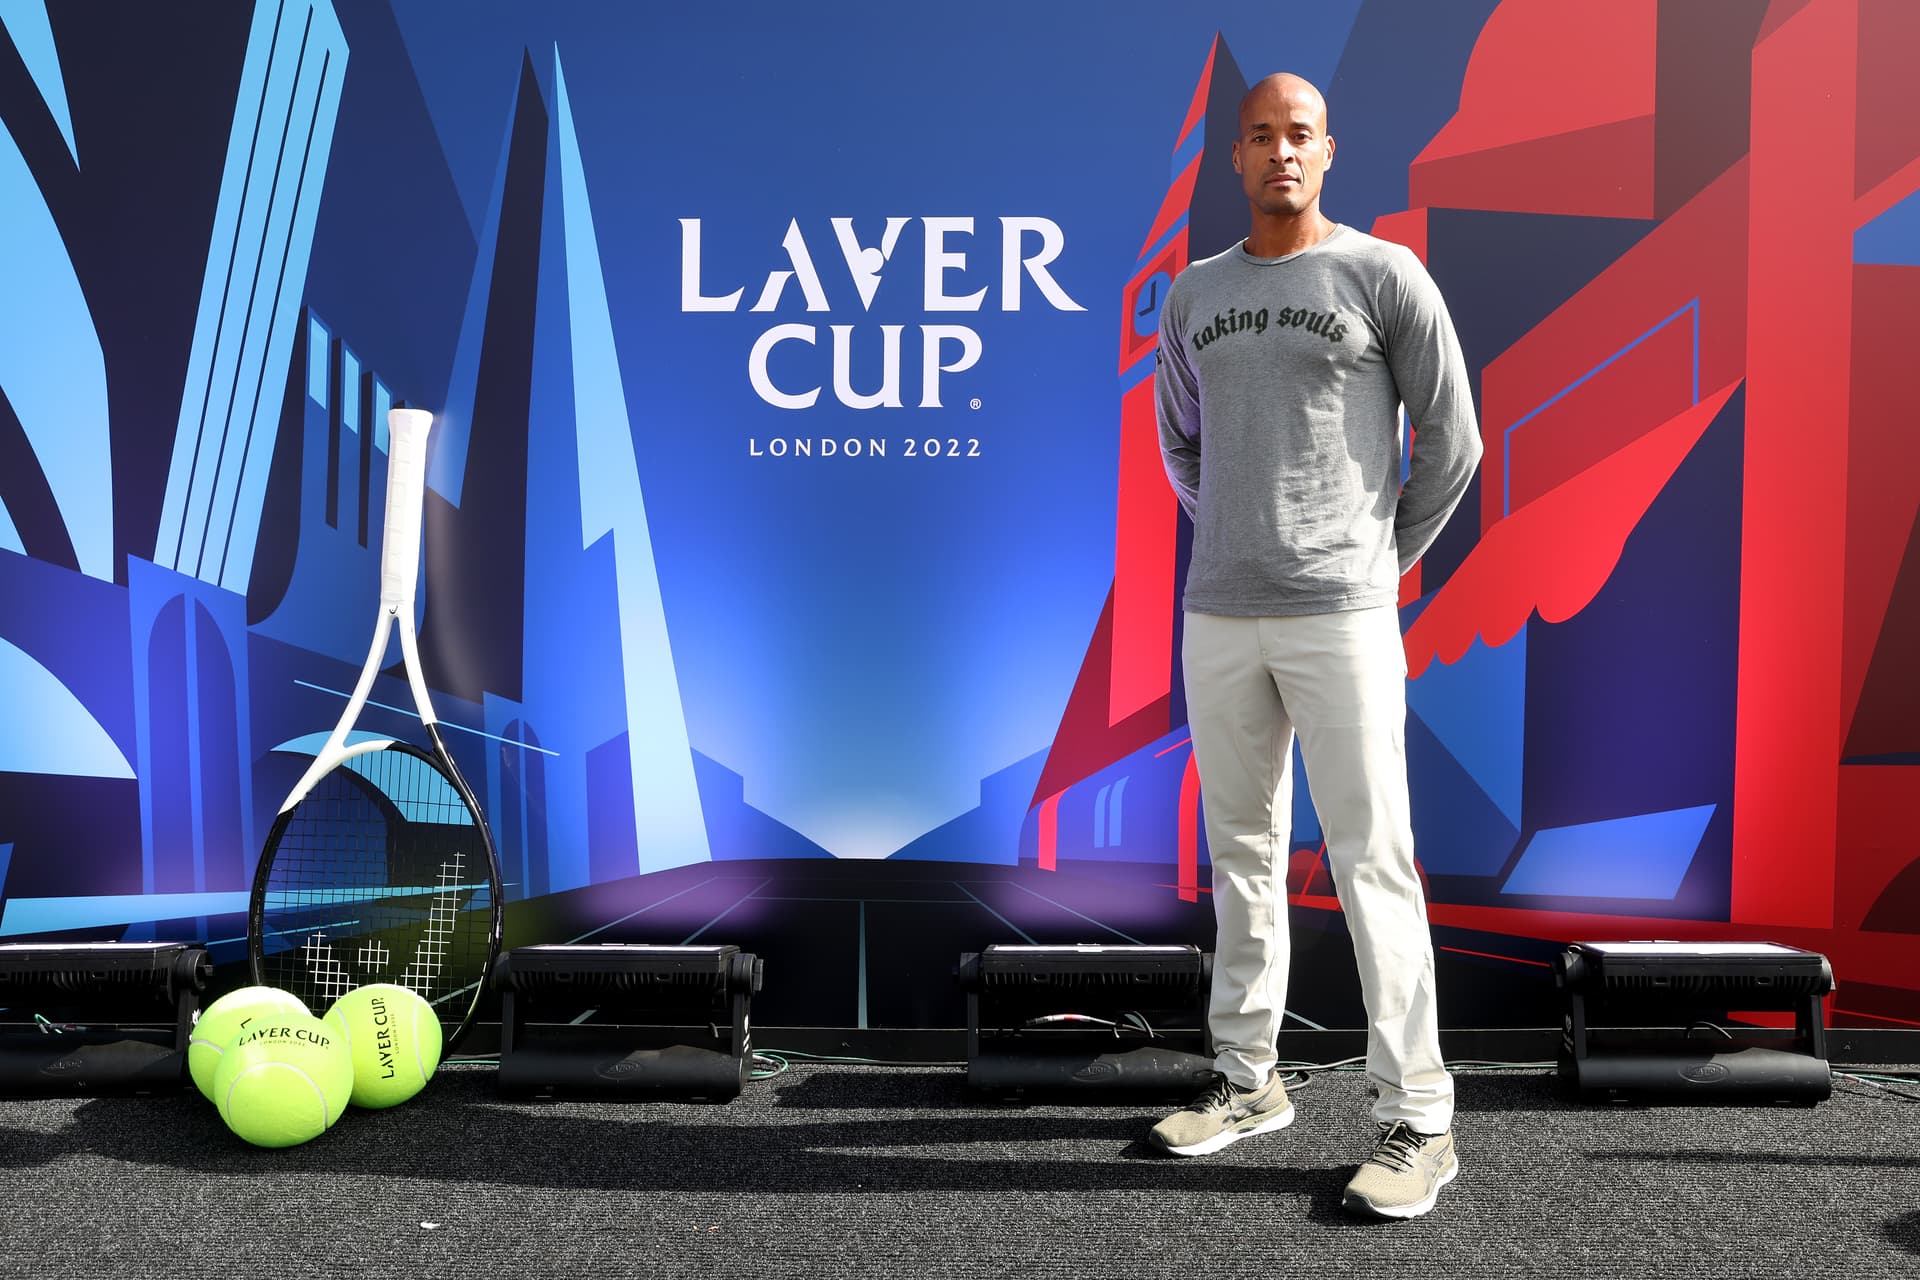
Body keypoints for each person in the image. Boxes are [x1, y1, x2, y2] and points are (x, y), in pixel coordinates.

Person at [1149, 71, 1483, 1221]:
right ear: (1236, 157)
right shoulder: (1194, 294)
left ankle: (1419, 1117)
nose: (1281, 152)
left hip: (1343, 612)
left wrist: (1371, 555)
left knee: (1371, 858)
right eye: (1261, 136)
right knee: (1241, 855)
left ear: (1328, 151)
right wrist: (1241, 535)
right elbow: (1180, 443)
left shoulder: (1385, 275)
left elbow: (1453, 439)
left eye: (1300, 134)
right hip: (1220, 611)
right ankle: (1249, 1080)